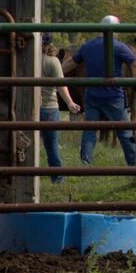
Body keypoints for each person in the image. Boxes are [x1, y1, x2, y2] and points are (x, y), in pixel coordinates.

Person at [62, 15, 136, 166]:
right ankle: (133, 163)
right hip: (113, 96)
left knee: (90, 130)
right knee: (124, 131)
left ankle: (86, 162)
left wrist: (55, 72)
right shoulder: (119, 47)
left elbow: (71, 63)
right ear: (116, 30)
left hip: (91, 96)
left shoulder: (88, 46)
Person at [40, 34, 80, 183]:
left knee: (26, 143)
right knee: (51, 145)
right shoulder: (53, 61)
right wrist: (70, 102)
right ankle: (57, 178)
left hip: (28, 108)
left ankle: (25, 174)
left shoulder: (27, 60)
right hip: (49, 108)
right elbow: (61, 85)